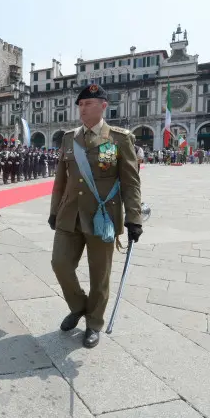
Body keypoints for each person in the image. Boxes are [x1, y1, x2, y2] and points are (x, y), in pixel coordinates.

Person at [48, 83, 143, 349]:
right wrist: (54, 211)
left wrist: (133, 217)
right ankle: (78, 305)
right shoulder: (69, 138)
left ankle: (94, 323)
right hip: (69, 215)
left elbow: (130, 181)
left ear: (103, 105)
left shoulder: (119, 139)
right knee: (60, 263)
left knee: (99, 274)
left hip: (103, 216)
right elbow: (60, 180)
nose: (83, 108)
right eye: (80, 104)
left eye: (88, 104)